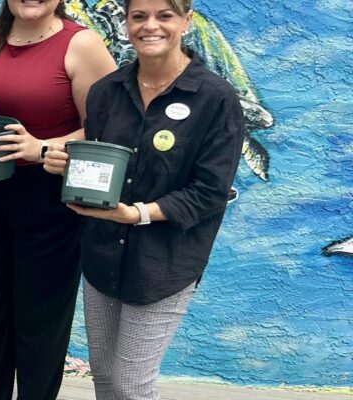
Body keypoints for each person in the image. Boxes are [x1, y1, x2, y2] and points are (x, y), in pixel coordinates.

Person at [42, 0, 244, 398]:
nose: (151, 26)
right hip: (101, 253)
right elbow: (104, 165)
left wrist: (135, 214)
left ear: (186, 22)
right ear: (126, 23)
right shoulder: (106, 92)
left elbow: (210, 192)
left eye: (164, 15)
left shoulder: (215, 98)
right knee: (104, 376)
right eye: (139, 16)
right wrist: (69, 166)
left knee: (131, 384)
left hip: (164, 264)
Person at [0, 0, 116, 397]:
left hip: (48, 199)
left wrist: (42, 148)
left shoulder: (81, 45)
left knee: (40, 324)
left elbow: (109, 126)